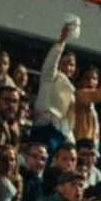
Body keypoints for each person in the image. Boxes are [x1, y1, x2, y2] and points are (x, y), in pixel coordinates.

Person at [31, 22, 78, 152]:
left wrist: (71, 141)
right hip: (44, 130)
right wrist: (62, 41)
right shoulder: (49, 77)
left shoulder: (72, 90)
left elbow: (69, 121)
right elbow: (51, 61)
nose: (68, 67)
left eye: (72, 64)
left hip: (61, 136)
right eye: (65, 62)